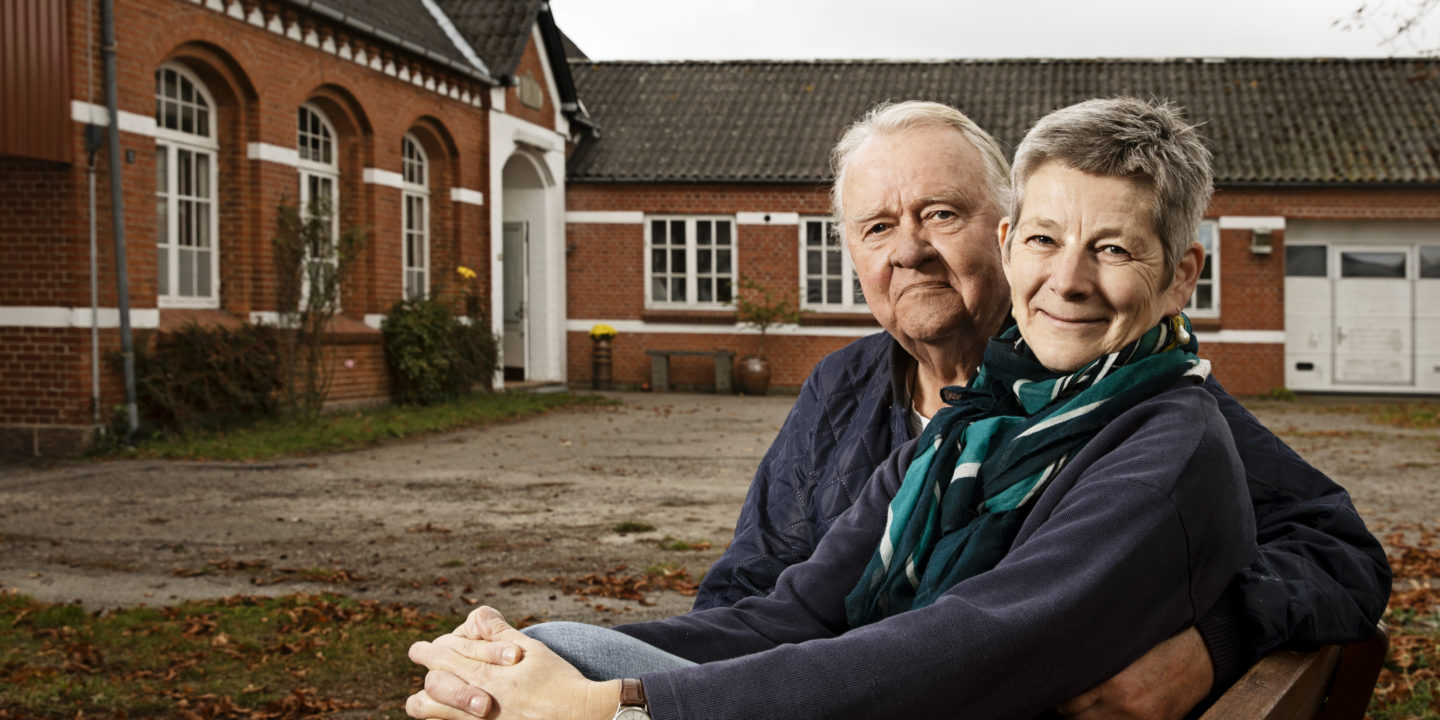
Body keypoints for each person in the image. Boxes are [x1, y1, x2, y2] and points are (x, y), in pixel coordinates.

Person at [404, 97, 1314, 720]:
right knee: (549, 646)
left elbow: (975, 643)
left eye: (1112, 248)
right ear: (1017, 242)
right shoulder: (979, 413)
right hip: (852, 693)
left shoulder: (1167, 431)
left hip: (938, 700)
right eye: (879, 227)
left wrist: (622, 704)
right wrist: (525, 661)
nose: (1068, 278)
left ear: (1179, 275)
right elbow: (776, 605)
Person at [691, 101, 1392, 716]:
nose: (909, 251)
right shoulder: (839, 386)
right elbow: (755, 581)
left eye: (941, 214)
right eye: (876, 228)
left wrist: (1215, 641)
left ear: (1005, 231)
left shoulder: (1112, 391)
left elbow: (1340, 553)